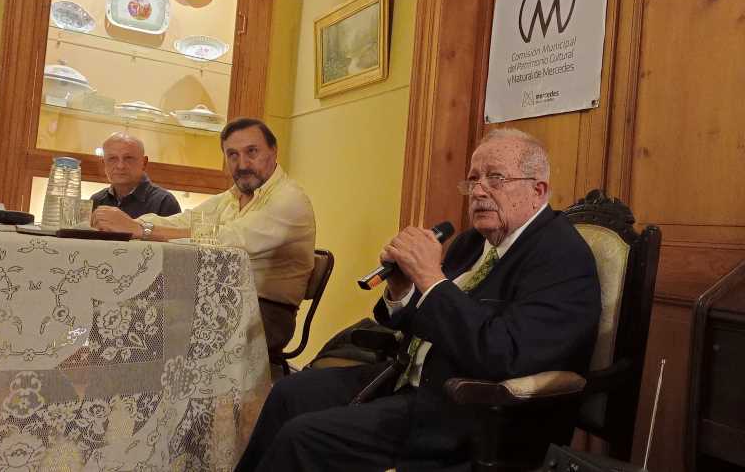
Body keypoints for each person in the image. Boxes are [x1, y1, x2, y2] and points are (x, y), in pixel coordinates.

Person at [235, 128, 602, 472]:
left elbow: (504, 354)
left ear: (538, 190)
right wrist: (403, 290)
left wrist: (430, 278)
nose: (478, 191)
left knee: (303, 437)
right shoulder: (472, 242)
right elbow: (430, 319)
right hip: (404, 377)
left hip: (464, 409)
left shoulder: (561, 256)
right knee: (288, 392)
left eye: (495, 178)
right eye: (473, 179)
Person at [91, 118, 316, 356]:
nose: (242, 164)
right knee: (113, 315)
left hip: (266, 313)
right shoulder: (231, 198)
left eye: (252, 151)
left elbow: (227, 241)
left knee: (140, 328)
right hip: (213, 300)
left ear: (273, 151)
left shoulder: (289, 200)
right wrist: (126, 223)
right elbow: (183, 221)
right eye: (232, 155)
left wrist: (141, 230)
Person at [90, 132, 181, 218]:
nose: (120, 166)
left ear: (144, 163)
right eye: (112, 158)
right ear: (104, 163)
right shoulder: (96, 201)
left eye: (128, 158)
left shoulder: (164, 202)